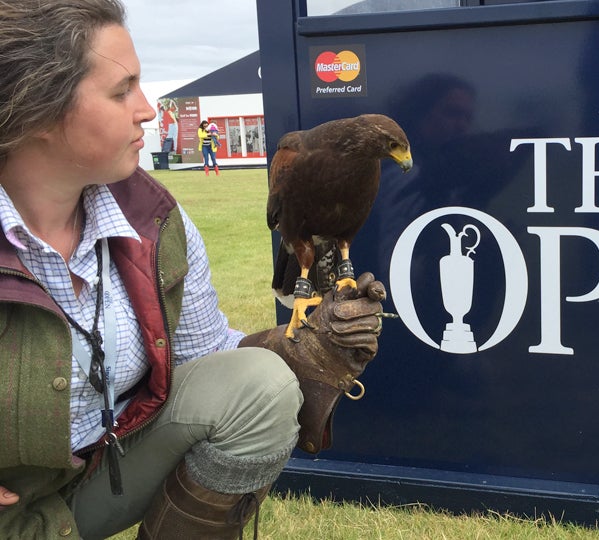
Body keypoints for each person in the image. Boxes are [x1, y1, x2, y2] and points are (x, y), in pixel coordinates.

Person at [0, 1, 386, 538]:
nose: (147, 110)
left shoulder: (155, 221)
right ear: (37, 110)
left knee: (262, 387)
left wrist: (306, 346)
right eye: (121, 91)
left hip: (98, 474)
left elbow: (205, 359)